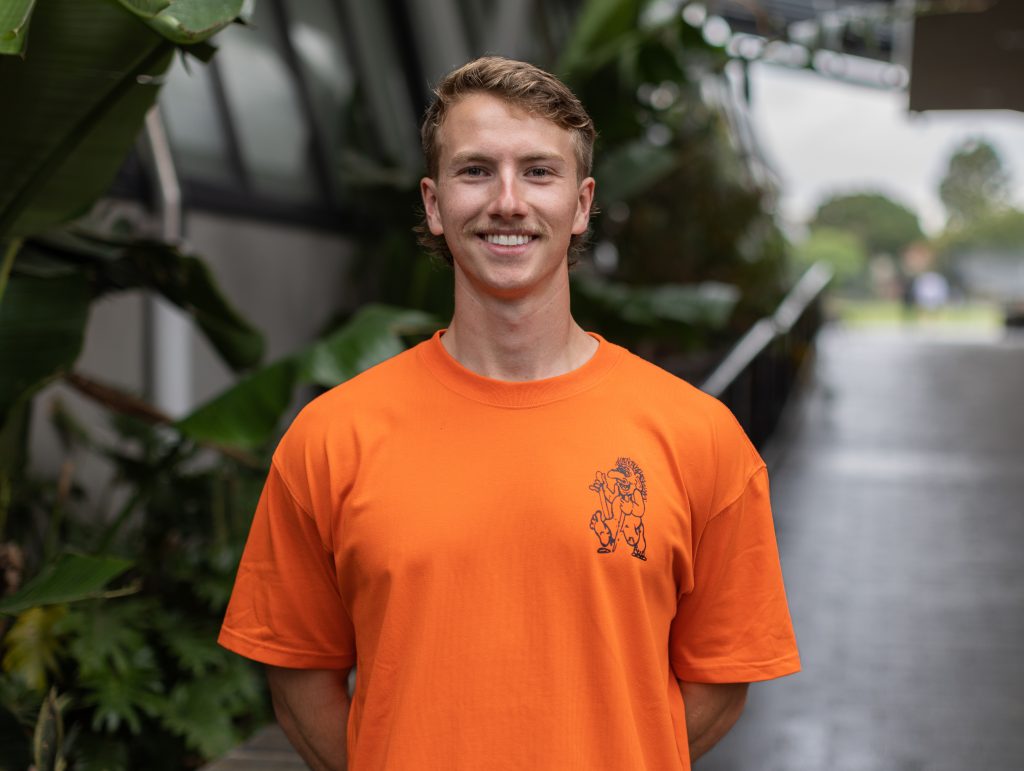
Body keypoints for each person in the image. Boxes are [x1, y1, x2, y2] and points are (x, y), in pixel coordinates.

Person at [218, 56, 800, 770]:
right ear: (433, 204)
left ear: (582, 203)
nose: (507, 201)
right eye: (474, 171)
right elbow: (298, 672)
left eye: (538, 171)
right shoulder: (333, 436)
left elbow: (722, 671)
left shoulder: (700, 437)